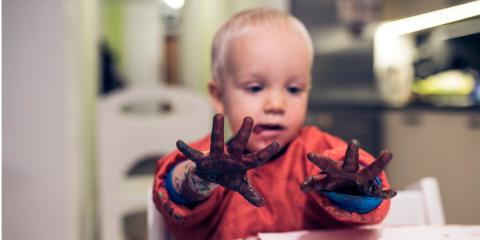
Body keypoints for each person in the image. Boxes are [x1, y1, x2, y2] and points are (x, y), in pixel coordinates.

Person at [153, 7, 396, 240]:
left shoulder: (319, 151)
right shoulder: (208, 158)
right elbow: (175, 194)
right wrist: (201, 176)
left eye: (293, 89)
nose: (276, 104)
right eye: (255, 87)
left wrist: (352, 191)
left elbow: (359, 204)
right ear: (219, 96)